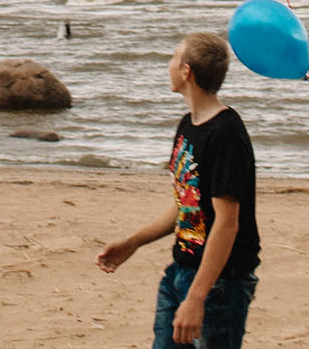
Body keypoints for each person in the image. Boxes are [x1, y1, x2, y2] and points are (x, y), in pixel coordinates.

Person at [98, 31, 262, 348]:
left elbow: (227, 223)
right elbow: (187, 207)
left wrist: (197, 296)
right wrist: (133, 242)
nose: (169, 65)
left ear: (187, 71)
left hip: (219, 285)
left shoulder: (226, 133)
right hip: (180, 273)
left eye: (174, 58)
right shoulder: (187, 125)